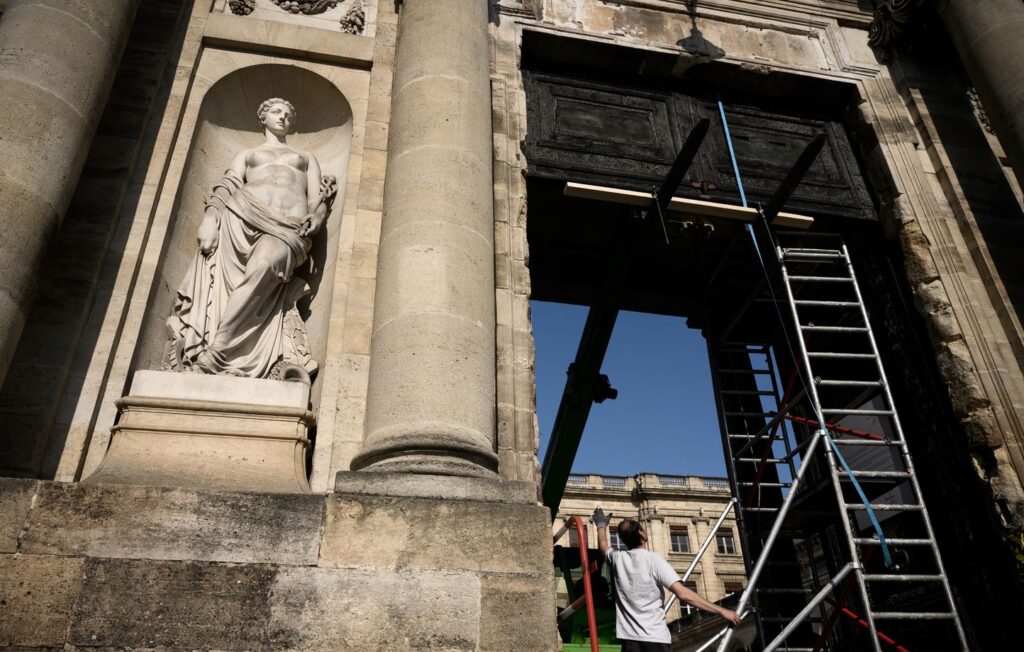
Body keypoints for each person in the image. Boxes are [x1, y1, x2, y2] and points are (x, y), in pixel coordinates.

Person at [166, 97, 336, 380]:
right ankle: (221, 351)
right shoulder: (247, 154)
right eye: (276, 112)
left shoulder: (306, 158)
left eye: (288, 114)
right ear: (263, 118)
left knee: (263, 266)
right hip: (241, 217)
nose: (283, 117)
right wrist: (210, 218)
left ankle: (218, 352)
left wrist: (317, 218)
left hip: (288, 228)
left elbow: (317, 199)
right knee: (243, 281)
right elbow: (228, 185)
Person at [592, 507, 742, 652]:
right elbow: (683, 594)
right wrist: (723, 611)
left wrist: (601, 525)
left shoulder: (618, 559)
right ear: (642, 533)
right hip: (655, 640)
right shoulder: (654, 561)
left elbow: (603, 545)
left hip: (629, 641)